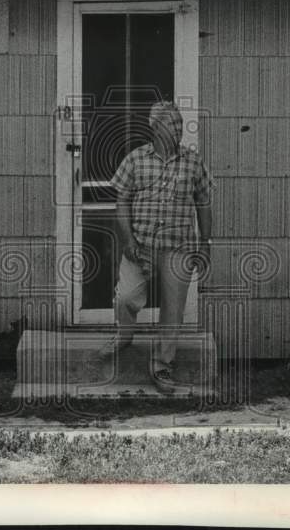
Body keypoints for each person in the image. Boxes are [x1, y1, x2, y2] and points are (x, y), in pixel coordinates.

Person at [97, 101, 213, 393]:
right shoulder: (135, 159)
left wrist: (205, 243)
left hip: (179, 247)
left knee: (172, 309)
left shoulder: (192, 161)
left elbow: (204, 202)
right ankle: (124, 334)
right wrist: (128, 241)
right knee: (126, 298)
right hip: (140, 245)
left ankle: (162, 365)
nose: (178, 129)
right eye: (172, 124)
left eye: (179, 123)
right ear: (155, 127)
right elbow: (121, 202)